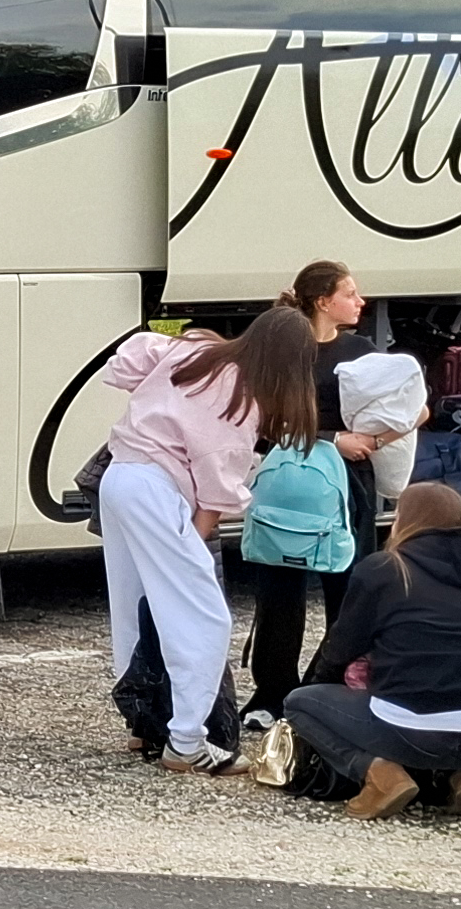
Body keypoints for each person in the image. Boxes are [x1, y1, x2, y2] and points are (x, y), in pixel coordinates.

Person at [93, 314, 309, 773]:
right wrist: (188, 553)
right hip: (155, 490)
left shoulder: (196, 349)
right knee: (204, 618)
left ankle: (144, 723)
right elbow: (212, 500)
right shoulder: (240, 403)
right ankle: (186, 741)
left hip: (119, 475)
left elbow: (128, 360)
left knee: (135, 608)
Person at [274, 481, 461, 817]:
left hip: (413, 730)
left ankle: (382, 775)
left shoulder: (386, 568)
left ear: (407, 520)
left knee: (300, 704)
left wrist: (321, 686)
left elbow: (342, 647)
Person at [241, 263, 383, 723]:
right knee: (279, 590)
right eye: (351, 293)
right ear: (324, 300)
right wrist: (330, 439)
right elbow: (261, 423)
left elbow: (403, 409)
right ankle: (271, 693)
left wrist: (379, 438)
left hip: (350, 485)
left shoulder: (362, 350)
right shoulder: (287, 349)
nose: (360, 302)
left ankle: (326, 688)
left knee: (350, 591)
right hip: (291, 481)